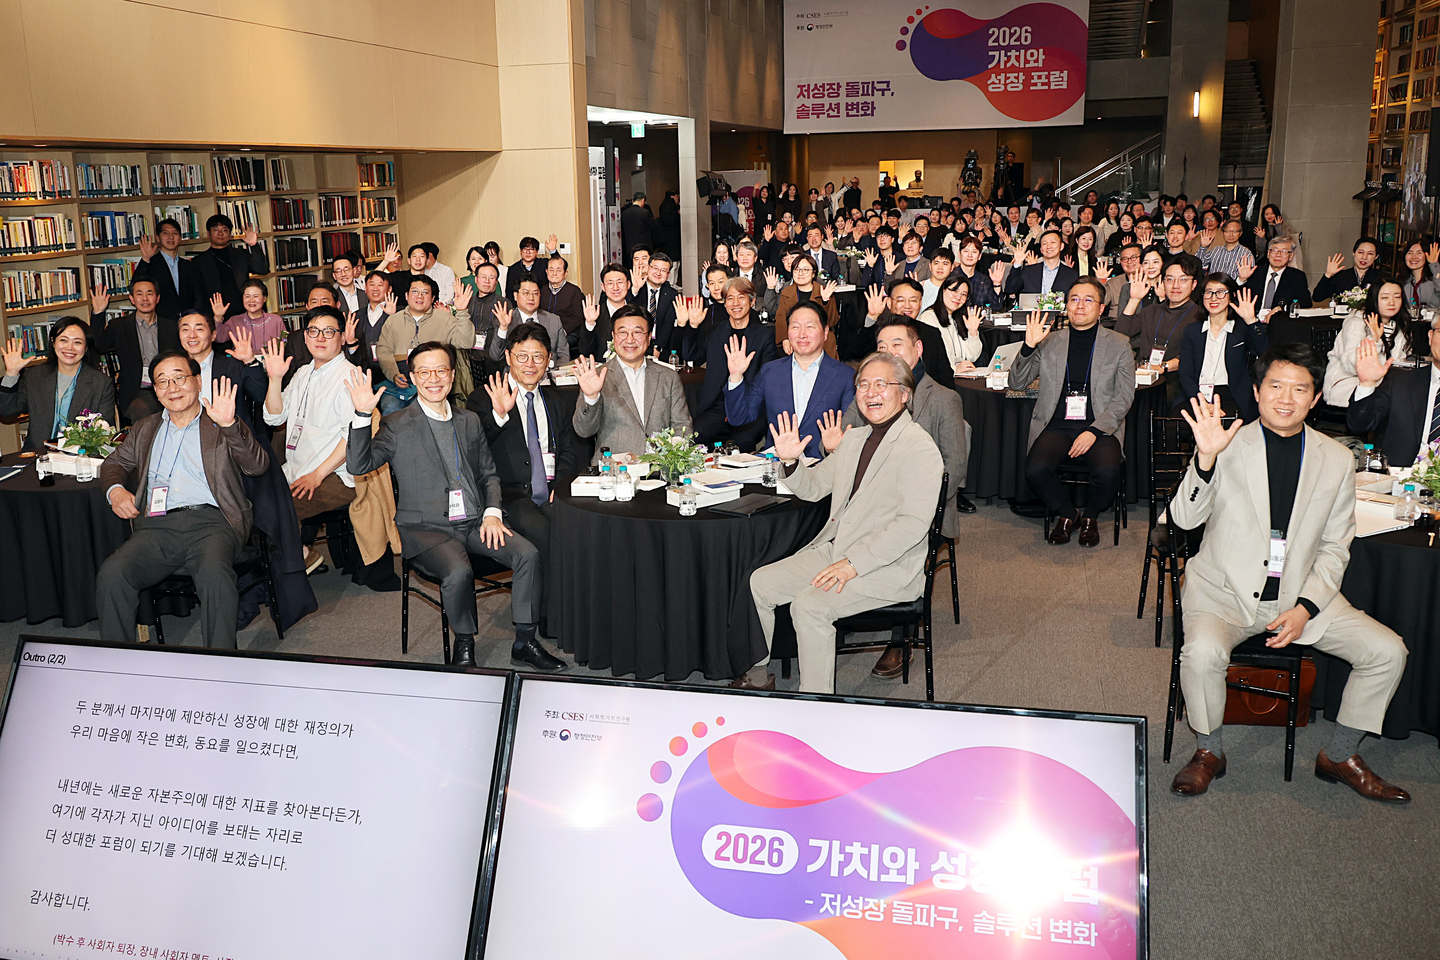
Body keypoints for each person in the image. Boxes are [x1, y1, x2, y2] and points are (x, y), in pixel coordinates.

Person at [1169, 346, 1410, 803]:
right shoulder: (1225, 442)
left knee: (1386, 652)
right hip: (1223, 591)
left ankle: (1340, 755)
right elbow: (1182, 520)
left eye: (1300, 389)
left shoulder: (1336, 459)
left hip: (1300, 593)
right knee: (1201, 654)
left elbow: (1336, 547)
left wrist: (1306, 608)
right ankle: (1208, 751)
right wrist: (1204, 460)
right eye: (1275, 386)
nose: (1286, 398)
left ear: (1315, 398)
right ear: (1256, 392)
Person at [345, 342, 561, 671]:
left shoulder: (469, 420)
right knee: (459, 570)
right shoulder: (396, 424)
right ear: (413, 378)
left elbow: (489, 474)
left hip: (475, 522)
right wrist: (362, 416)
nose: (434, 378)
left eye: (441, 370)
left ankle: (525, 641)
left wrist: (491, 512)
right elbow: (359, 466)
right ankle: (464, 642)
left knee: (527, 553)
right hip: (426, 528)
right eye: (425, 372)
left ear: (453, 374)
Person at [741, 354, 944, 693]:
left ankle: (817, 703)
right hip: (839, 550)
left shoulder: (919, 448)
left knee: (810, 605)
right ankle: (759, 674)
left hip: (888, 566)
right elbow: (814, 488)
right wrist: (789, 463)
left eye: (881, 384)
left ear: (905, 394)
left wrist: (853, 564)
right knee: (760, 583)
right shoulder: (854, 440)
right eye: (863, 384)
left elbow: (911, 526)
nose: (870, 392)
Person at [97, 353, 268, 648]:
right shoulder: (145, 428)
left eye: (179, 378)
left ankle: (221, 665)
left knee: (215, 576)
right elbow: (113, 464)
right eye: (162, 381)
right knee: (112, 574)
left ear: (198, 381)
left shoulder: (220, 422)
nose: (172, 387)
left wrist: (229, 426)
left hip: (214, 523)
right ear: (155, 390)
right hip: (157, 528)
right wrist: (115, 490)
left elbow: (257, 466)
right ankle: (116, 664)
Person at [174, 309, 317, 629]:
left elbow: (260, 397)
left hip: (241, 457)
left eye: (200, 328)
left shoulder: (230, 362)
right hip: (194, 461)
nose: (193, 335)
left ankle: (248, 593)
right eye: (186, 329)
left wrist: (251, 362)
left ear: (214, 334)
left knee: (245, 517)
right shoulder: (173, 369)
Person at [469, 323, 581, 632]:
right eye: (522, 356)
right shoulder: (484, 398)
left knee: (581, 526)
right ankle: (548, 619)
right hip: (508, 494)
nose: (530, 364)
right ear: (508, 356)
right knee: (545, 532)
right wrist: (499, 415)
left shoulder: (558, 401)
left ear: (549, 361)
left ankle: (573, 607)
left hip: (552, 490)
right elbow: (474, 448)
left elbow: (569, 450)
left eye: (538, 357)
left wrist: (563, 484)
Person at [1012, 278, 1136, 547]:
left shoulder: (1119, 343)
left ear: (1101, 308)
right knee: (1035, 470)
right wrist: (1029, 345)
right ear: (1066, 305)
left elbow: (1124, 396)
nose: (1080, 305)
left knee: (1107, 472)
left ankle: (1091, 516)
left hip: (1100, 427)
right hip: (1057, 425)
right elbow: (1017, 383)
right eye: (1074, 299)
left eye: (1088, 299)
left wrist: (1094, 431)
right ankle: (1068, 515)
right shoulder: (1049, 341)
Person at [834, 315, 969, 547]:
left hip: (922, 511)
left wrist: (913, 506)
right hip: (865, 504)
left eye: (897, 345)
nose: (888, 353)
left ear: (918, 348)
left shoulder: (944, 399)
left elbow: (954, 467)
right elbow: (839, 444)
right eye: (882, 347)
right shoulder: (867, 395)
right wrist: (831, 446)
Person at [260, 306, 361, 540]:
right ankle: (299, 557)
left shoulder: (351, 376)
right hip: (299, 467)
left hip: (335, 474)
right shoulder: (302, 373)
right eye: (314, 331)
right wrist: (274, 379)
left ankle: (297, 564)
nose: (320, 338)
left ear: (342, 336)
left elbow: (352, 437)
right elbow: (275, 417)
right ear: (305, 337)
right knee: (251, 504)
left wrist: (317, 475)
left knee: (279, 512)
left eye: (328, 331)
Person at [724, 301, 856, 460]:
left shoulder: (846, 376)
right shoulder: (771, 371)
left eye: (810, 327)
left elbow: (851, 433)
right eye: (795, 326)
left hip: (823, 465)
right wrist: (736, 376)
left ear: (825, 332)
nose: (802, 334)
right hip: (777, 463)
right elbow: (738, 418)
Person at [572, 305, 692, 461]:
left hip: (660, 471)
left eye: (637, 332)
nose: (630, 339)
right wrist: (591, 397)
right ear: (613, 336)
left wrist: (671, 459)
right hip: (614, 473)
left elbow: (682, 427)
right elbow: (584, 431)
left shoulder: (668, 377)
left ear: (649, 338)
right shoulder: (598, 376)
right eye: (622, 332)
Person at [675, 276, 780, 450]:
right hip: (716, 405)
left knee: (744, 441)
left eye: (741, 297)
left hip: (749, 404)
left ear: (752, 302)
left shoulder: (764, 334)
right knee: (697, 435)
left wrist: (738, 406)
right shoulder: (714, 331)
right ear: (724, 304)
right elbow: (690, 355)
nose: (735, 303)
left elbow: (767, 377)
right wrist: (692, 327)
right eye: (730, 298)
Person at [0, 316, 116, 450]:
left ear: (86, 348)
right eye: (63, 340)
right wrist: (12, 374)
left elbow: (104, 431)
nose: (70, 348)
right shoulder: (35, 376)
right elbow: (7, 411)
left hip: (79, 457)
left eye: (77, 342)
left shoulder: (101, 383)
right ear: (53, 342)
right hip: (38, 454)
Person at [1347, 315, 1440, 467]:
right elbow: (1359, 425)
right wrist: (1367, 384)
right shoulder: (1400, 382)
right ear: (1430, 337)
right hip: (1398, 483)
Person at [375, 276, 475, 414]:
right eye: (415, 292)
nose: (419, 296)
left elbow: (467, 341)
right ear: (406, 295)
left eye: (425, 292)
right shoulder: (393, 320)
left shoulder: (445, 319)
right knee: (391, 409)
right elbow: (383, 351)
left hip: (433, 381)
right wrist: (394, 375)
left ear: (433, 297)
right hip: (400, 381)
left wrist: (462, 311)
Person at [1177, 274, 1268, 421]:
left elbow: (1264, 352)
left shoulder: (1242, 329)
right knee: (1173, 427)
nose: (1214, 298)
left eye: (1220, 292)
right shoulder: (1192, 330)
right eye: (1209, 292)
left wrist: (1251, 321)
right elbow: (1185, 373)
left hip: (1231, 392)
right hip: (1196, 392)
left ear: (1231, 296)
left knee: (1224, 424)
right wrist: (1202, 402)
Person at [91, 277, 179, 422]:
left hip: (168, 387)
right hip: (137, 391)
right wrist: (98, 313)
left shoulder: (171, 326)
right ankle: (146, 445)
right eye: (139, 294)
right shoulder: (119, 326)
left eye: (149, 294)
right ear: (132, 299)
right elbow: (98, 345)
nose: (145, 299)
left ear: (157, 298)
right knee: (142, 412)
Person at [1323, 279, 1423, 407]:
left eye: (1397, 297)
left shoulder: (1399, 326)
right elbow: (1351, 365)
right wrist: (1374, 340)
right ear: (1374, 300)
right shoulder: (1357, 323)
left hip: (1383, 383)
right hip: (1349, 384)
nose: (1392, 302)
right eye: (1385, 298)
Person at [1116, 259, 1202, 376]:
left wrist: (1164, 366)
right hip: (1144, 377)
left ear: (1194, 284)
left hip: (1176, 380)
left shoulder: (1199, 316)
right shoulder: (1152, 310)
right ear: (1163, 282)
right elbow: (1120, 335)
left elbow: (1195, 354)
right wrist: (1134, 300)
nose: (1175, 285)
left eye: (1183, 279)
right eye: (1170, 279)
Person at [190, 214, 269, 320]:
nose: (220, 233)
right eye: (215, 229)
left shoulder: (240, 254)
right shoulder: (199, 261)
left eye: (225, 230)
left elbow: (262, 269)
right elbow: (198, 294)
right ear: (208, 233)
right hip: (215, 314)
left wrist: (253, 245)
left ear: (230, 234)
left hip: (243, 312)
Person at [487, 275, 571, 369]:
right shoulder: (505, 320)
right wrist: (503, 328)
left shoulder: (554, 320)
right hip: (517, 378)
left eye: (535, 293)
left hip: (548, 377)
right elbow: (495, 357)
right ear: (515, 296)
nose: (531, 298)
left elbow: (564, 356)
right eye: (526, 293)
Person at [133, 219, 202, 320]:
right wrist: (145, 259)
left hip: (188, 321)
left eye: (175, 233)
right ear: (158, 238)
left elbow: (198, 296)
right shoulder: (151, 264)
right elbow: (134, 286)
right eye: (165, 233)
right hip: (161, 322)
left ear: (180, 238)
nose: (171, 237)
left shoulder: (189, 266)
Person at [774, 255, 840, 358]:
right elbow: (781, 317)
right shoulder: (787, 292)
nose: (800, 273)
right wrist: (784, 339)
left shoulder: (823, 290)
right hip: (796, 340)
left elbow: (832, 321)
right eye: (797, 270)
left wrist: (825, 300)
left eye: (805, 270)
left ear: (813, 273)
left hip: (822, 342)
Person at [1243, 235, 1311, 313]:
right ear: (1268, 253)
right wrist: (1241, 280)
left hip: (1279, 321)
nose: (1278, 255)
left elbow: (1306, 304)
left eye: (1284, 251)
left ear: (1291, 256)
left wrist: (1282, 309)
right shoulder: (1254, 272)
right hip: (1251, 319)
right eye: (1274, 250)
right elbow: (1235, 297)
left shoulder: (1297, 277)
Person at [630, 252, 681, 356]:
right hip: (634, 343)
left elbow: (668, 323)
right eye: (655, 268)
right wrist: (634, 290)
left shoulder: (672, 294)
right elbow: (628, 312)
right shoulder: (637, 287)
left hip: (660, 346)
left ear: (668, 275)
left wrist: (658, 347)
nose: (658, 273)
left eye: (663, 270)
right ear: (648, 268)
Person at [1004, 229, 1079, 297]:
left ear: (1061, 246)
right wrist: (1017, 264)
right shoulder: (1029, 271)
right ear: (1041, 249)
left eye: (1053, 242)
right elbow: (1010, 290)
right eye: (1044, 243)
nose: (1048, 246)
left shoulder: (1072, 275)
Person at [213, 280, 286, 347]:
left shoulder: (276, 320)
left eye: (256, 296)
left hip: (271, 360)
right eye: (247, 296)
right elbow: (220, 338)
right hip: (242, 360)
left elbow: (285, 344)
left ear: (264, 298)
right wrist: (218, 317)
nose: (251, 300)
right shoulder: (235, 321)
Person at [1313, 237, 1381, 303]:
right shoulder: (1341, 276)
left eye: (1370, 253)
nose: (1364, 257)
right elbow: (1317, 297)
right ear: (1354, 253)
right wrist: (1328, 274)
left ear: (1376, 257)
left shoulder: (1381, 278)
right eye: (1361, 252)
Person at [501, 236, 546, 301]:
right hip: (519, 307)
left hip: (541, 305)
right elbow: (509, 292)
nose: (528, 252)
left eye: (531, 249)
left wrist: (553, 251)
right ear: (520, 251)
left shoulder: (544, 264)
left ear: (537, 252)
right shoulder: (513, 269)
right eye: (525, 249)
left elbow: (559, 265)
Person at [621, 193, 657, 262]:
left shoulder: (624, 213)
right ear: (643, 200)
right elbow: (654, 226)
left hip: (629, 245)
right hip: (644, 245)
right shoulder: (645, 213)